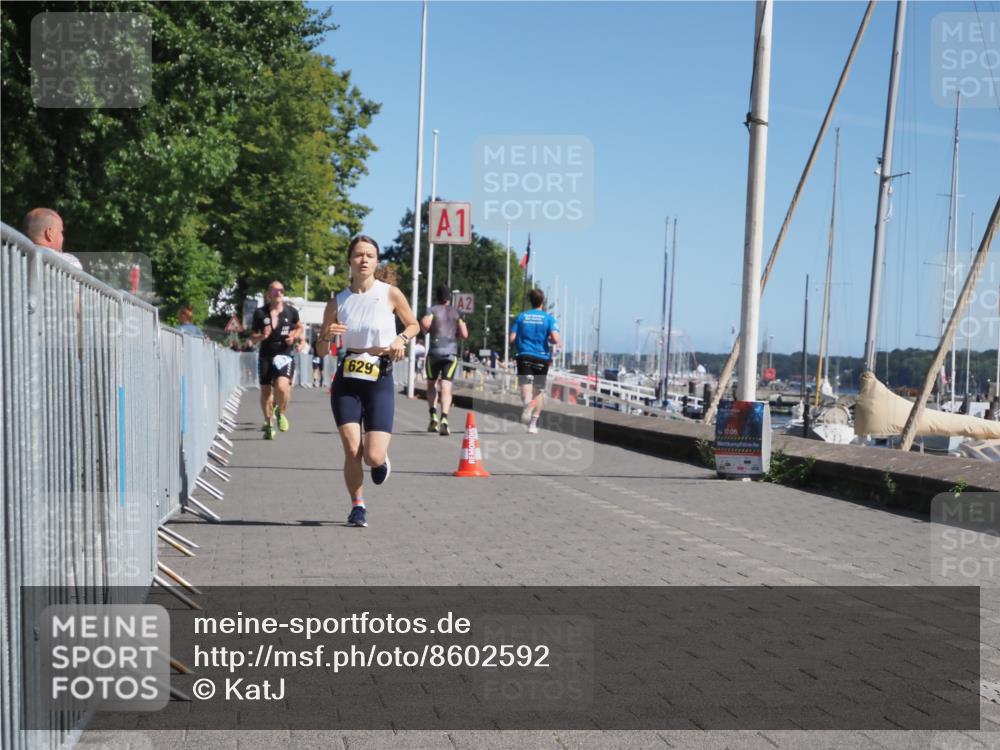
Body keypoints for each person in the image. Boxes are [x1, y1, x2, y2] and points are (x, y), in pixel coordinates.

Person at [318, 235, 418, 528]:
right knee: (352, 450)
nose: (364, 259)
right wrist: (326, 335)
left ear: (376, 261)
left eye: (370, 255)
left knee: (372, 456)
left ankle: (381, 460)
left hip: (379, 378)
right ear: (349, 260)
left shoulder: (390, 293)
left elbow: (413, 325)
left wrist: (400, 339)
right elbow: (322, 351)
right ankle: (357, 506)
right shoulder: (337, 301)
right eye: (359, 254)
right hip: (347, 380)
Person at [250, 280, 303, 439]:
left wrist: (293, 336)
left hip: (284, 353)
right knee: (266, 391)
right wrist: (262, 336)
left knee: (282, 386)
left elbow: (300, 327)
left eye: (281, 290)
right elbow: (252, 337)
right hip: (266, 354)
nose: (279, 293)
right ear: (269, 295)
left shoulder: (291, 312)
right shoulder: (260, 313)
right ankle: (268, 423)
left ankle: (280, 411)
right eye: (275, 291)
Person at [509, 288, 561, 434]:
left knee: (526, 386)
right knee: (538, 390)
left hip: (524, 354)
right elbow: (555, 339)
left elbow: (511, 339)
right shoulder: (549, 319)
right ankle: (533, 425)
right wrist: (549, 338)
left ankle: (527, 404)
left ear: (530, 301)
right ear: (542, 302)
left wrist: (517, 338)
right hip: (542, 357)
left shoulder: (520, 317)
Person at [420, 284, 468, 436]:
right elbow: (465, 334)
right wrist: (457, 337)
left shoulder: (432, 310)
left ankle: (433, 415)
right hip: (450, 355)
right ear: (449, 297)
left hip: (434, 353)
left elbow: (425, 323)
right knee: (446, 386)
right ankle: (445, 419)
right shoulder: (456, 313)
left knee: (431, 384)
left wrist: (427, 330)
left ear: (437, 296)